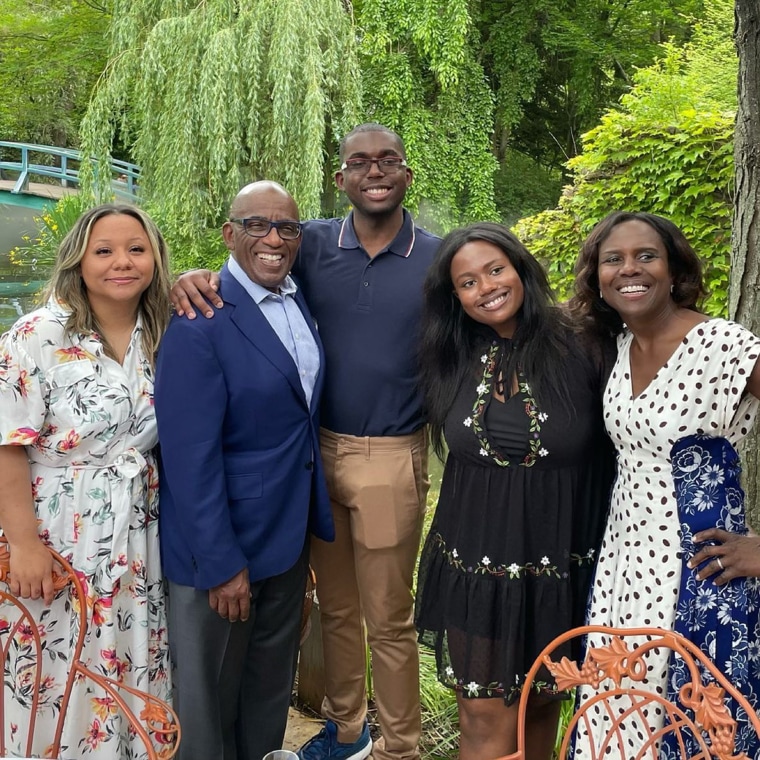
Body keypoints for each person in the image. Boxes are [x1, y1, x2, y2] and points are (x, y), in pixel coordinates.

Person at [170, 123, 440, 760]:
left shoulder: (432, 255)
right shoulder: (310, 244)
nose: (275, 238)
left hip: (384, 456)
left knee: (387, 617)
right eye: (358, 163)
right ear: (340, 178)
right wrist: (188, 277)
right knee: (336, 612)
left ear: (406, 172)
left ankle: (400, 746)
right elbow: (249, 265)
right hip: (313, 466)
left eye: (388, 161)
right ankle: (346, 732)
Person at [414, 222, 614, 760]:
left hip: (561, 567)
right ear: (454, 297)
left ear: (521, 269)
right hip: (475, 570)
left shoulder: (586, 343)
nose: (486, 287)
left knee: (541, 709)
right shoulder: (449, 353)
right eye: (468, 282)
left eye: (495, 270)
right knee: (483, 720)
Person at [154, 180, 335, 760]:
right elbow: (188, 457)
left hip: (286, 535)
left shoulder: (297, 298)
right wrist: (221, 562)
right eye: (257, 225)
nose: (274, 239)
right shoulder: (199, 321)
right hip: (222, 546)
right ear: (230, 234)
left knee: (267, 685)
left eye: (286, 227)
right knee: (207, 701)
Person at [572, 210, 760, 758]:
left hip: (697, 576)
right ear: (599, 278)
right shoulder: (619, 346)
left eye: (646, 256)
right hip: (623, 571)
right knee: (620, 713)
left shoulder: (722, 345)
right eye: (614, 259)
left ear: (674, 270)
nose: (630, 269)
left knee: (694, 723)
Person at [0, 203, 173, 758]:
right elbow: (7, 444)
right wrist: (25, 544)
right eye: (104, 251)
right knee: (55, 664)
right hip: (56, 530)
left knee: (126, 655)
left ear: (154, 259)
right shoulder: (37, 335)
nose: (121, 262)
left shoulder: (167, 330)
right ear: (79, 259)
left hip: (138, 533)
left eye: (136, 249)